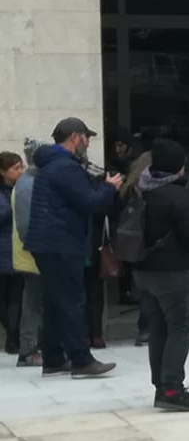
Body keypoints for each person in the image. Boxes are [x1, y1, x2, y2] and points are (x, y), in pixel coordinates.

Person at [24, 118, 120, 377]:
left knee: (56, 302)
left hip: (48, 241)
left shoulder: (54, 164)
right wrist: (109, 188)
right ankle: (81, 360)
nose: (89, 143)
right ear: (75, 138)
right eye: (87, 138)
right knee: (71, 301)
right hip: (60, 241)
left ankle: (54, 358)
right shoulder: (64, 167)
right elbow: (90, 202)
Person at [132, 139, 189, 412]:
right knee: (180, 328)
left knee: (158, 328)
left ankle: (161, 386)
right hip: (174, 272)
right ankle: (172, 388)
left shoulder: (139, 191)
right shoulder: (178, 197)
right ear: (179, 168)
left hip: (143, 271)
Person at [11, 139, 46, 367]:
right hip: (31, 255)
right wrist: (37, 250)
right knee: (33, 303)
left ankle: (32, 347)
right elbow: (25, 225)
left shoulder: (31, 181)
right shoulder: (28, 184)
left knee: (35, 302)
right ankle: (28, 349)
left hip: (32, 253)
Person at [0, 152, 25, 356]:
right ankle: (11, 333)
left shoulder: (21, 188)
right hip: (2, 248)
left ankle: (13, 338)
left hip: (17, 249)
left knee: (16, 297)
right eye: (15, 168)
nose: (20, 171)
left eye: (21, 167)